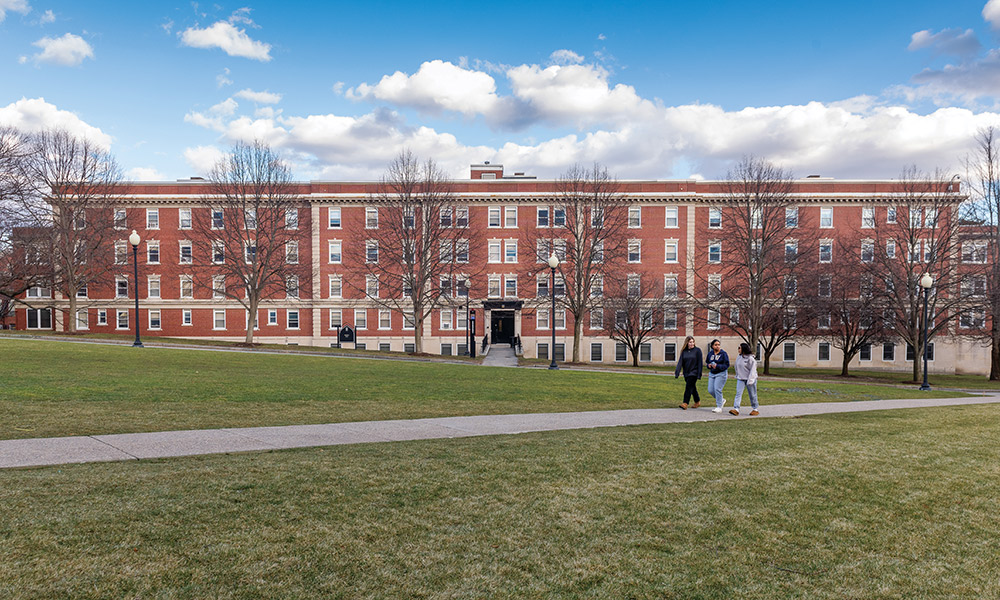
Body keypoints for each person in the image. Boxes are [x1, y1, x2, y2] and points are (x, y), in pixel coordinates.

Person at [730, 342, 759, 416]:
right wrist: (737, 375)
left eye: (739, 348)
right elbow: (737, 367)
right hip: (741, 379)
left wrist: (751, 380)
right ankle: (736, 409)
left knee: (752, 394)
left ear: (744, 349)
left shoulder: (750, 358)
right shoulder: (739, 357)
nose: (738, 349)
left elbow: (753, 370)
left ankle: (755, 409)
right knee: (738, 393)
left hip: (750, 379)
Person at [674, 336, 703, 409]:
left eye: (693, 342)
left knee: (688, 387)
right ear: (687, 343)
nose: (692, 343)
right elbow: (680, 362)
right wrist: (677, 372)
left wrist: (699, 374)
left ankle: (685, 403)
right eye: (690, 342)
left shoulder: (697, 350)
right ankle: (697, 401)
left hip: (694, 372)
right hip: (686, 373)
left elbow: (700, 363)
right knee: (692, 388)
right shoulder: (684, 352)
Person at [705, 339, 730, 413]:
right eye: (715, 345)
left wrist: (718, 366)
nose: (717, 346)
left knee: (717, 389)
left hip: (721, 373)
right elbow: (707, 362)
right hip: (712, 373)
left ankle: (719, 406)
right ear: (712, 346)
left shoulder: (723, 354)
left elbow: (726, 365)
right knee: (711, 390)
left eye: (718, 345)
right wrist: (709, 366)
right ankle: (721, 400)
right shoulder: (710, 354)